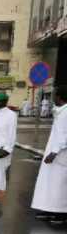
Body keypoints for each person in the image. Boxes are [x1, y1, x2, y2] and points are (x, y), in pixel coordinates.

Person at [31, 86, 67, 223]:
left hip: (60, 154)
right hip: (54, 153)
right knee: (50, 183)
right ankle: (50, 208)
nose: (53, 98)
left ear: (60, 97)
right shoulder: (61, 111)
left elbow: (65, 135)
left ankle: (62, 213)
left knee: (60, 184)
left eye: (55, 95)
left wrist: (54, 152)